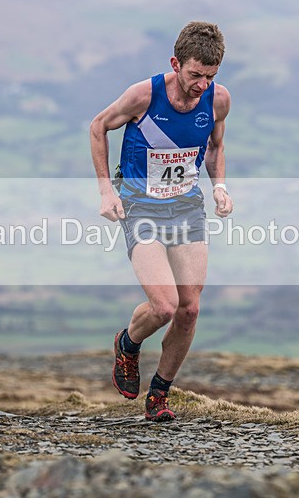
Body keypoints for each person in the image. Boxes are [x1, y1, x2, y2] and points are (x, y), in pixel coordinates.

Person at [89, 21, 233, 421]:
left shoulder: (218, 100)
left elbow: (215, 147)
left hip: (186, 206)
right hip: (141, 207)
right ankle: (128, 344)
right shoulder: (143, 95)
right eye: (194, 75)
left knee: (190, 309)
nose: (201, 84)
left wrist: (220, 186)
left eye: (210, 76)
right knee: (166, 305)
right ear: (175, 63)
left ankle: (159, 395)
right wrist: (105, 191)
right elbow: (98, 126)